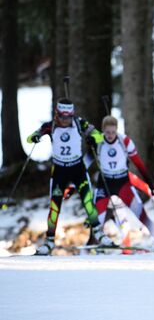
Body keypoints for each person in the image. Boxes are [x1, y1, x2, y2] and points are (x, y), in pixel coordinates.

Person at [26, 98, 113, 255]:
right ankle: (49, 242)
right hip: (59, 171)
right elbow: (31, 136)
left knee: (88, 202)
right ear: (56, 115)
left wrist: (93, 138)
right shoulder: (50, 126)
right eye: (62, 117)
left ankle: (99, 234)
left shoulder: (79, 123)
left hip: (77, 169)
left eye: (68, 117)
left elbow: (100, 136)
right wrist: (35, 137)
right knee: (55, 207)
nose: (65, 121)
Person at [93, 115, 154, 248]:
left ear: (117, 130)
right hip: (105, 184)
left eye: (113, 132)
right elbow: (85, 161)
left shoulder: (125, 141)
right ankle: (93, 247)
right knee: (97, 218)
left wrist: (149, 183)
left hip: (123, 183)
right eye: (107, 132)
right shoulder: (98, 140)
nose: (110, 135)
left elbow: (139, 164)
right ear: (103, 130)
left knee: (142, 214)